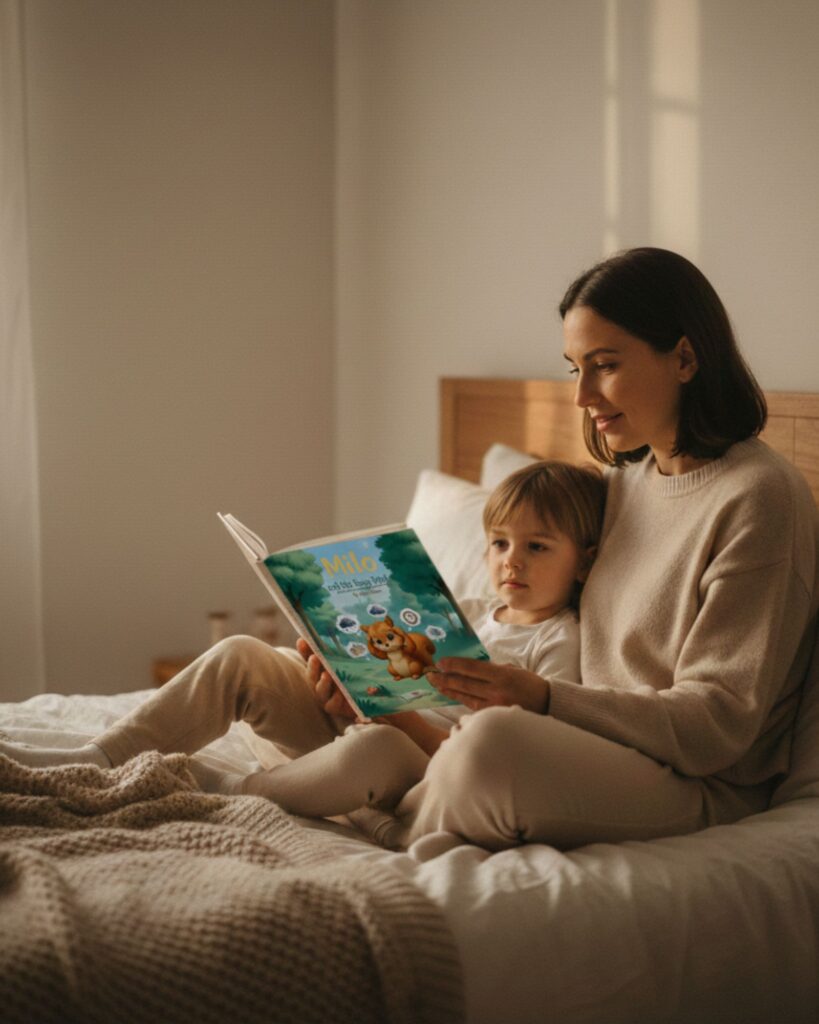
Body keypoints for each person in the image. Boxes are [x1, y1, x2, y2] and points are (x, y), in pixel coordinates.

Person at [355, 246, 817, 851]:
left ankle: (383, 808)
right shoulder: (622, 485)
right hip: (591, 748)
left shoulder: (760, 498)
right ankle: (377, 776)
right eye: (576, 368)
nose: (582, 397)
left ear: (684, 358)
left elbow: (716, 725)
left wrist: (544, 697)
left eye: (604, 365)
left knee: (490, 743)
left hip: (697, 783)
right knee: (277, 671)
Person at [0, 460, 604, 844]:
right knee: (244, 652)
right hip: (367, 723)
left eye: (537, 547)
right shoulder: (464, 607)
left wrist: (395, 720)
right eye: (499, 543)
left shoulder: (559, 644)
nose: (511, 561)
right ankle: (100, 758)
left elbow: (501, 763)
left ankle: (229, 790)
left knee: (374, 748)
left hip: (421, 769)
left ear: (584, 561)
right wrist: (342, 679)